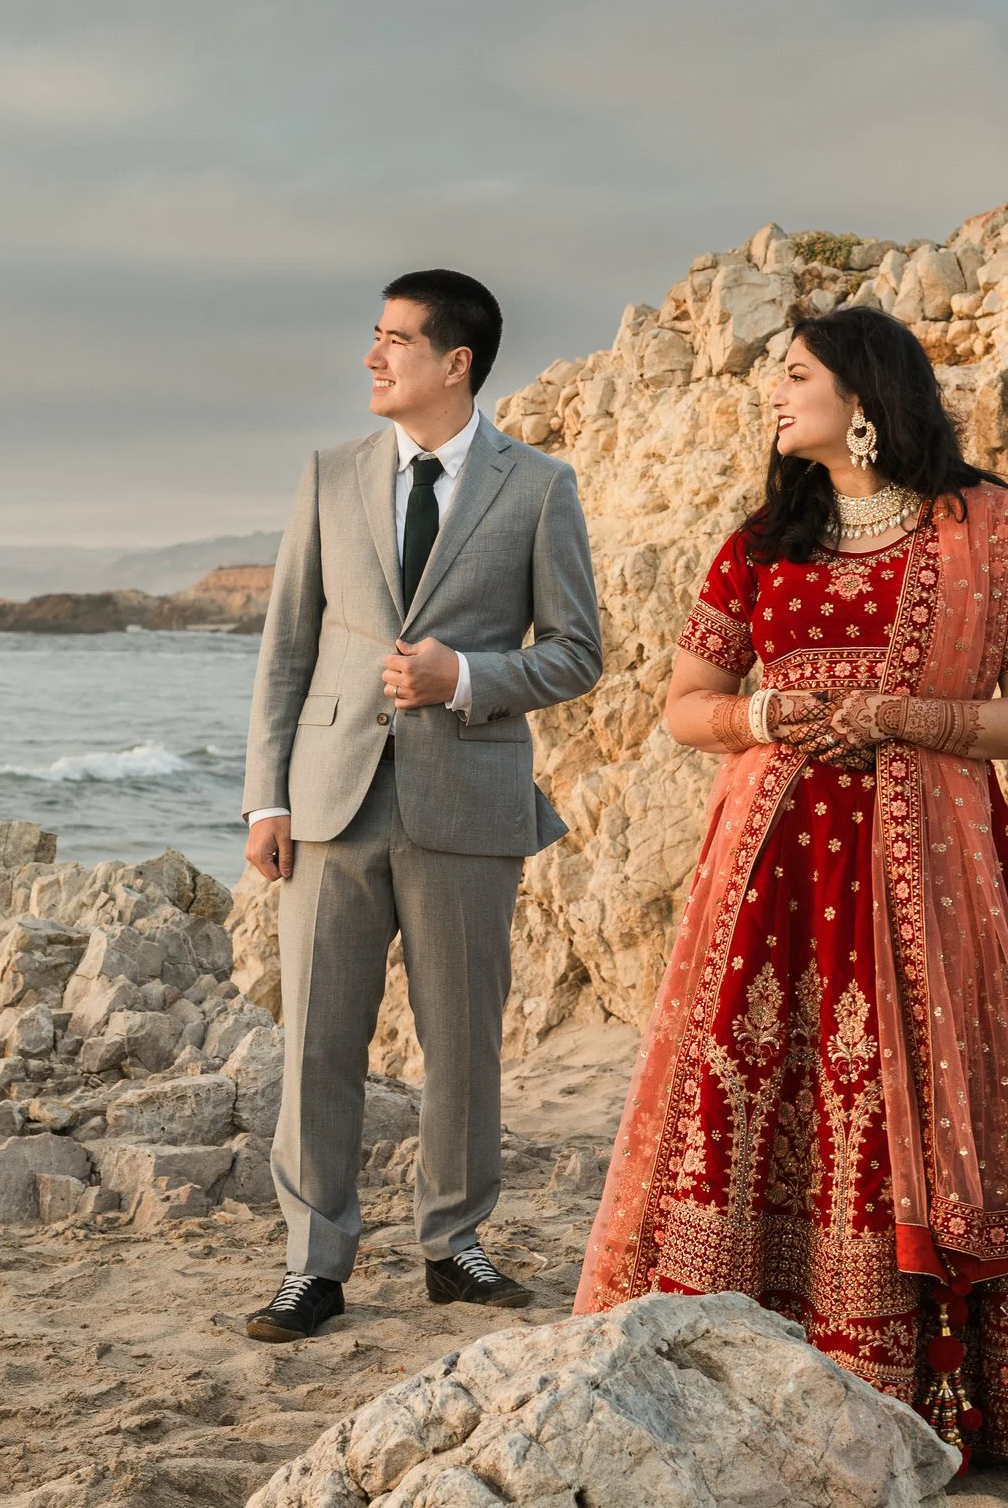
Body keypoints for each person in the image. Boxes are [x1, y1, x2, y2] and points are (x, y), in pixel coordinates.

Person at [575, 307, 1008, 1462]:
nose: (773, 395)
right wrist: (767, 712)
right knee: (767, 1092)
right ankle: (751, 1366)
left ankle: (957, 1396)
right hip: (773, 872)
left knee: (934, 1099)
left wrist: (908, 718)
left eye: (794, 374)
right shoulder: (760, 539)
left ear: (862, 394)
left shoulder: (989, 529)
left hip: (935, 871)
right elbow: (685, 705)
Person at [240, 268, 602, 1342]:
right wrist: (266, 799)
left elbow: (577, 652)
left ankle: (455, 1244)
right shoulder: (328, 475)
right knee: (317, 1041)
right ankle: (314, 1263)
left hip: (470, 800)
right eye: (373, 335)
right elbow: (286, 650)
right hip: (330, 800)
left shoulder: (538, 487)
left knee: (463, 1041)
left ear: (455, 362)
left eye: (394, 339)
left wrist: (468, 677)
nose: (372, 356)